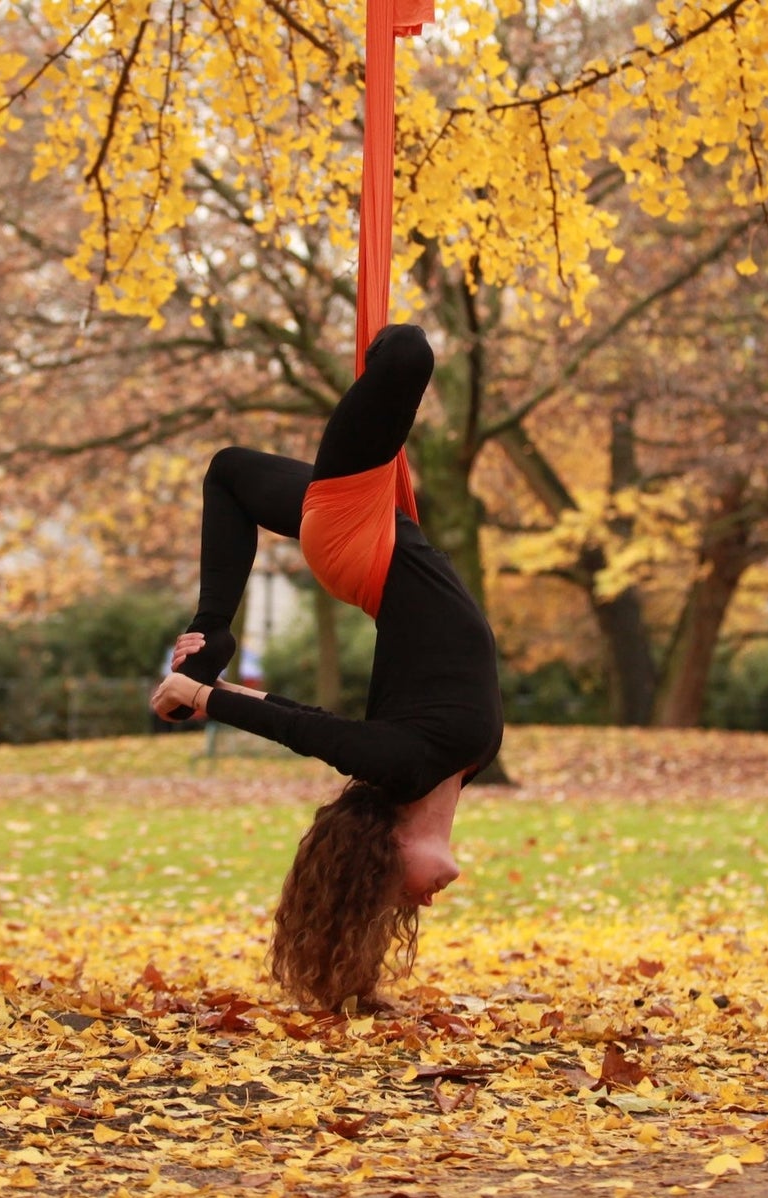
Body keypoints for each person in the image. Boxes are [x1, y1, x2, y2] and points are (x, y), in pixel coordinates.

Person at [148, 323, 502, 1011]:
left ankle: (209, 635)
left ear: (387, 849)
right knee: (229, 472)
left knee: (406, 353)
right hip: (378, 537)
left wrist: (202, 694)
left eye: (395, 892)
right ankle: (211, 626)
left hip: (360, 544)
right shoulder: (460, 765)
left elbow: (307, 728)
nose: (422, 902)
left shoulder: (404, 765)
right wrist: (210, 668)